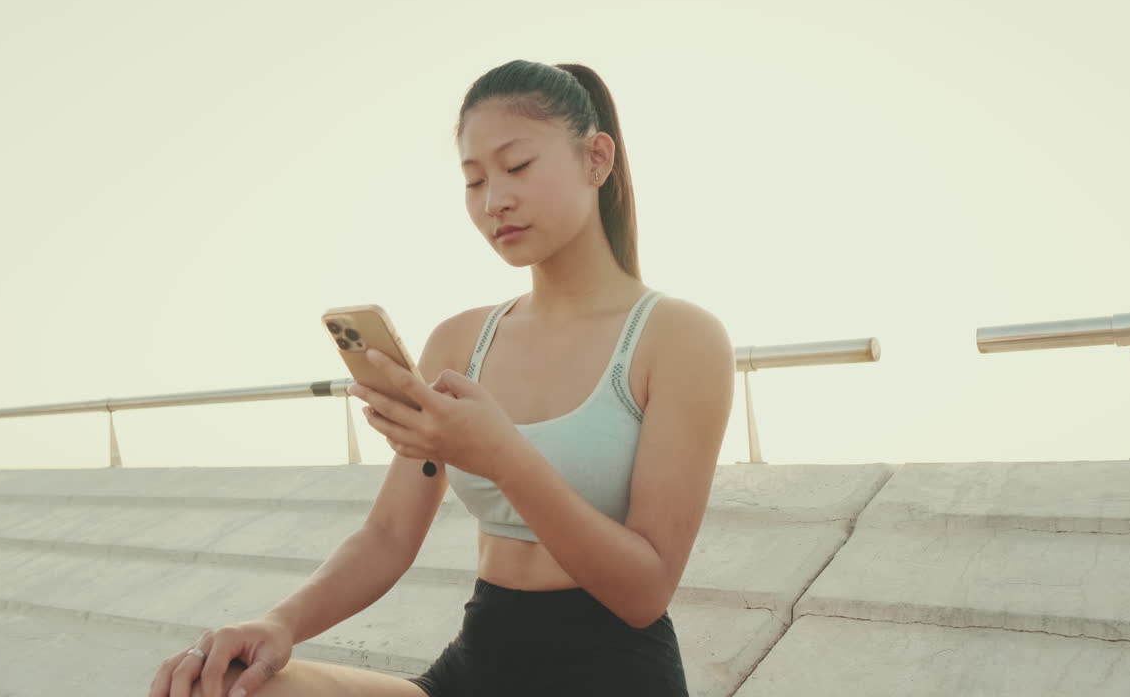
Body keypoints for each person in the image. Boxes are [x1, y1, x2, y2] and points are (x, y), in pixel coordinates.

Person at [148, 59, 735, 697]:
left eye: (517, 167)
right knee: (224, 687)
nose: (494, 201)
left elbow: (644, 592)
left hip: (614, 675)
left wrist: (500, 454)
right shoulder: (461, 342)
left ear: (596, 159)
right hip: (475, 670)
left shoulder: (678, 338)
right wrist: (278, 623)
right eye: (474, 179)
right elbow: (389, 534)